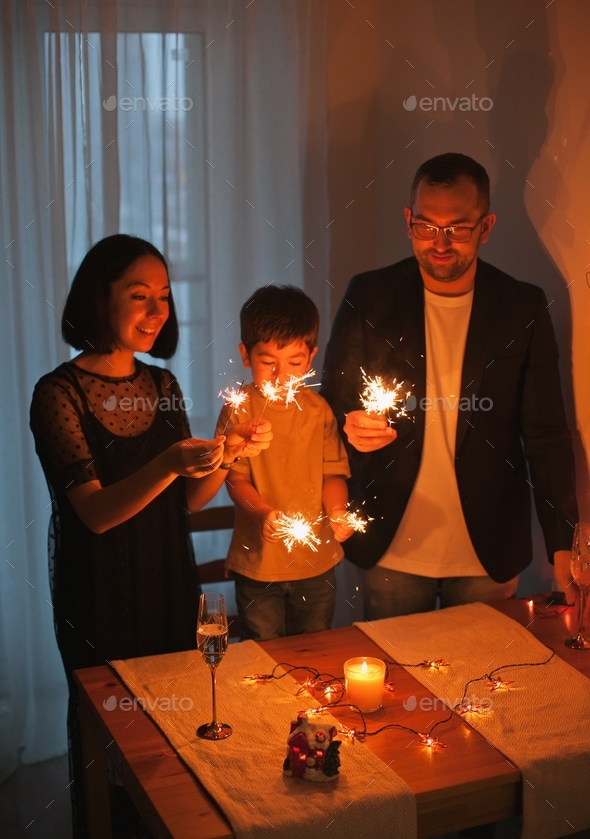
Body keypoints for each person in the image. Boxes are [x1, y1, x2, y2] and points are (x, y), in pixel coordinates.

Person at [30, 234, 272, 837]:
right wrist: (168, 462)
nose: (157, 311)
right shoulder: (57, 394)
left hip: (168, 579)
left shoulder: (163, 386)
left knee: (174, 734)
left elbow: (185, 502)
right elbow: (96, 514)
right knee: (113, 739)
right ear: (98, 298)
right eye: (140, 296)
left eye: (163, 297)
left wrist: (224, 450)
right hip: (100, 591)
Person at [321, 153, 578, 621]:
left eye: (457, 228)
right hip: (390, 544)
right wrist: (348, 425)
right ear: (408, 221)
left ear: (486, 226)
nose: (440, 243)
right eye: (426, 225)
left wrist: (564, 542)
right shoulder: (369, 295)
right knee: (396, 685)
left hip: (489, 548)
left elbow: (546, 434)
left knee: (486, 688)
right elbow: (331, 406)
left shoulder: (522, 306)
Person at [216, 285, 352, 640]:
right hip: (259, 566)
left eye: (294, 363)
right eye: (267, 362)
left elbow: (333, 473)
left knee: (316, 650)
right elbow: (234, 479)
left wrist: (337, 512)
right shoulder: (239, 409)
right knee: (262, 660)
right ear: (246, 355)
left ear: (311, 358)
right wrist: (262, 513)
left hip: (317, 565)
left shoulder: (318, 411)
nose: (281, 375)